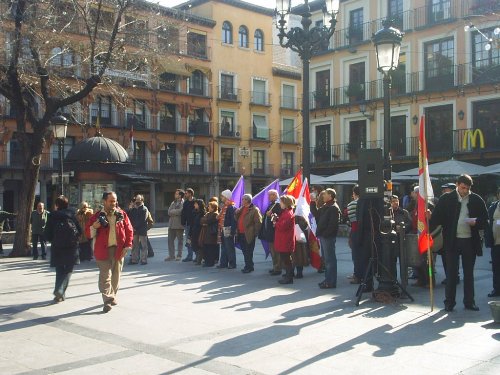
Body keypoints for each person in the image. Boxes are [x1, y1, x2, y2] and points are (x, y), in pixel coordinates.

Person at [429, 174, 488, 312]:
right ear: (457, 185)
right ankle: (449, 302)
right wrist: (428, 217)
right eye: (462, 188)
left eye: (467, 188)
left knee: (469, 273)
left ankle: (469, 302)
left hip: (469, 241)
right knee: (451, 273)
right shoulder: (446, 199)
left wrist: (476, 222)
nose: (465, 191)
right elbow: (437, 218)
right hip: (452, 241)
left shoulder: (476, 199)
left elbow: (485, 220)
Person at [86, 192, 133, 313]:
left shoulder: (122, 214)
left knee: (116, 275)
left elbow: (129, 230)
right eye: (111, 201)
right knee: (105, 276)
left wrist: (127, 245)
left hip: (118, 249)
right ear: (104, 201)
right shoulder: (97, 216)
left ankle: (112, 295)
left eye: (115, 201)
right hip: (102, 250)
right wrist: (94, 227)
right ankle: (107, 299)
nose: (113, 203)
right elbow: (87, 233)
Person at [44, 195, 81, 303]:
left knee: (59, 270)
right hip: (71, 247)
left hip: (57, 246)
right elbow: (79, 230)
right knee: (68, 270)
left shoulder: (52, 215)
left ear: (56, 205)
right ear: (67, 204)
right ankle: (59, 291)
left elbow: (47, 232)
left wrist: (53, 240)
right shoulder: (72, 215)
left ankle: (59, 294)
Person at [316, 188, 341, 289]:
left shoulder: (333, 207)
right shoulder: (327, 206)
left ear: (330, 196)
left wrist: (325, 234)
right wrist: (313, 203)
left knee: (330, 260)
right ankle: (327, 280)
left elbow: (333, 224)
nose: (323, 196)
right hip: (324, 236)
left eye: (325, 194)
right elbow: (317, 215)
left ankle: (331, 282)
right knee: (327, 260)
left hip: (328, 237)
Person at [235, 194, 262, 273]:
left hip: (249, 234)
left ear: (247, 200)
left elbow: (258, 222)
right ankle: (248, 265)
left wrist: (255, 233)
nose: (242, 200)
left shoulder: (254, 209)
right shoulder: (242, 208)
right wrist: (236, 213)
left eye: (243, 199)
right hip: (241, 233)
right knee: (244, 251)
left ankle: (249, 267)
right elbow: (236, 219)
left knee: (248, 251)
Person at [258, 189, 282, 276]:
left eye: (270, 195)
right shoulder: (271, 205)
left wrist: (271, 215)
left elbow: (278, 218)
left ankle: (278, 268)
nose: (268, 197)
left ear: (275, 195)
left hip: (274, 232)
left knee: (276, 252)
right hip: (269, 232)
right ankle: (275, 266)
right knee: (272, 251)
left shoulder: (278, 205)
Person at [273, 195, 295, 284]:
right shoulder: (286, 212)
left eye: (281, 202)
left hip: (285, 240)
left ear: (285, 203)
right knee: (285, 259)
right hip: (284, 239)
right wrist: (278, 219)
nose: (280, 204)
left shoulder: (288, 213)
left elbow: (283, 226)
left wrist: (275, 222)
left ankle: (289, 277)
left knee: (286, 260)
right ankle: (288, 275)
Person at [485, 187, 500, 298]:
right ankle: (497, 289)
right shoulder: (493, 207)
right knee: (496, 267)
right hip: (496, 243)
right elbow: (488, 222)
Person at [217, 189, 237, 269]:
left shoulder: (230, 207)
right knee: (224, 247)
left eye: (222, 196)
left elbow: (233, 220)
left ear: (226, 197)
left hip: (228, 229)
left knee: (229, 247)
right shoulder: (224, 206)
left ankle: (232, 263)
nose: (221, 197)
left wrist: (232, 230)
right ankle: (223, 263)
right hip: (222, 229)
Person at [128, 194, 149, 265]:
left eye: (138, 199)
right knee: (134, 246)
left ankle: (144, 260)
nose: (137, 201)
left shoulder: (144, 209)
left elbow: (143, 220)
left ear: (142, 200)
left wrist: (135, 227)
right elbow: (129, 218)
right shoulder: (133, 209)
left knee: (144, 246)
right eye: (136, 199)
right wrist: (130, 208)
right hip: (134, 230)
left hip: (142, 229)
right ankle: (134, 259)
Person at [165, 189, 185, 261]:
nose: (175, 195)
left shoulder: (183, 202)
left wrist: (173, 212)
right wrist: (174, 212)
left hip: (179, 225)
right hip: (171, 224)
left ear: (180, 195)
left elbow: (181, 211)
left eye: (176, 194)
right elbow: (168, 212)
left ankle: (179, 255)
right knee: (170, 240)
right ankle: (171, 255)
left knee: (180, 241)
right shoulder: (173, 202)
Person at [347, 185, 361, 283]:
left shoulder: (351, 204)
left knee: (356, 254)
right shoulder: (367, 203)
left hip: (355, 231)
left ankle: (357, 275)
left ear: (354, 194)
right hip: (366, 231)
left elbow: (351, 219)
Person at [200, 201, 219, 267]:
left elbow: (209, 221)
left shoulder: (215, 214)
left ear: (213, 208)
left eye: (210, 206)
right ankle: (207, 261)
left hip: (211, 234)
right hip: (206, 234)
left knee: (210, 249)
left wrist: (206, 222)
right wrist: (205, 221)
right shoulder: (208, 214)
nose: (208, 207)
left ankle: (210, 262)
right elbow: (201, 220)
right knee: (206, 248)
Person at [190, 199, 206, 265]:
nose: (194, 205)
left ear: (199, 205)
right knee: (194, 245)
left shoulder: (203, 213)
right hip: (194, 230)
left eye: (196, 204)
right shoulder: (194, 212)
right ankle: (197, 257)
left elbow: (202, 222)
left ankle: (199, 259)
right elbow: (192, 222)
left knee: (199, 245)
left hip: (200, 231)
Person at [181, 188, 195, 262]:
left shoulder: (195, 202)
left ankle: (198, 256)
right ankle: (189, 256)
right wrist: (183, 222)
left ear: (190, 193)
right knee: (188, 240)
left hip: (194, 225)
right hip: (187, 224)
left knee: (194, 240)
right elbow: (183, 213)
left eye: (186, 193)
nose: (185, 195)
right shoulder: (186, 203)